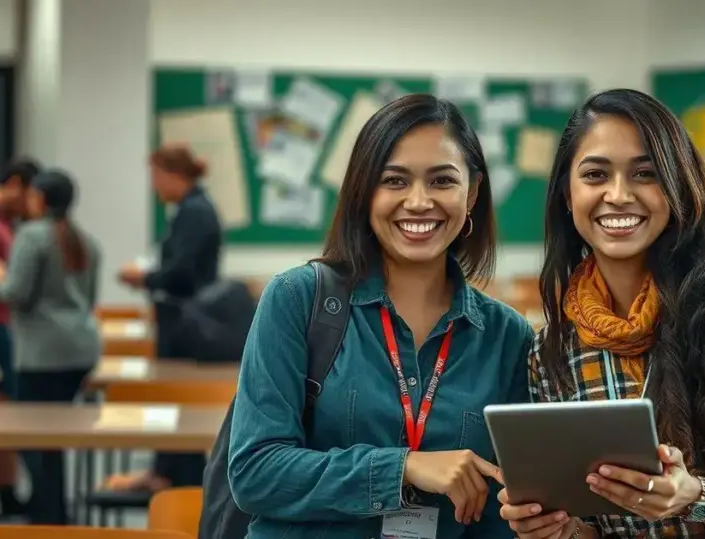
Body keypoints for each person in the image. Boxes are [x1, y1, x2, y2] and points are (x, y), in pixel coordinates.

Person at [498, 89, 705, 539]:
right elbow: (600, 527)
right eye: (595, 174)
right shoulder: (552, 347)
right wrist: (560, 530)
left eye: (645, 174)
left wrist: (694, 496)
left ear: (678, 185)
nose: (618, 195)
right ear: (565, 194)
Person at [228, 94, 532, 538]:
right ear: (363, 192)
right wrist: (402, 468)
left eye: (442, 181)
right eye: (394, 181)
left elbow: (500, 511)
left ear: (473, 194)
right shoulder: (297, 299)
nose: (418, 201)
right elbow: (255, 472)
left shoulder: (508, 336)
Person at [106, 144, 222, 492]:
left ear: (174, 175)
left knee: (177, 403)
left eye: (157, 176)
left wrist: (145, 278)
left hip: (186, 322)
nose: (154, 185)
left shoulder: (195, 212)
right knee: (172, 402)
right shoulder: (189, 208)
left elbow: (182, 274)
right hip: (178, 317)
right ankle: (168, 475)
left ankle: (174, 482)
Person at [0, 169, 102, 524]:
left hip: (42, 353)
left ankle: (48, 518)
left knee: (36, 440)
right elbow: (88, 299)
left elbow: (16, 295)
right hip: (80, 349)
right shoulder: (84, 239)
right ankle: (54, 513)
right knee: (51, 438)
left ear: (39, 198)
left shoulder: (32, 235)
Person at [0, 158, 40, 521]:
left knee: (8, 412)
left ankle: (9, 494)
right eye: (29, 193)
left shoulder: (9, 223)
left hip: (6, 325)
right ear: (15, 184)